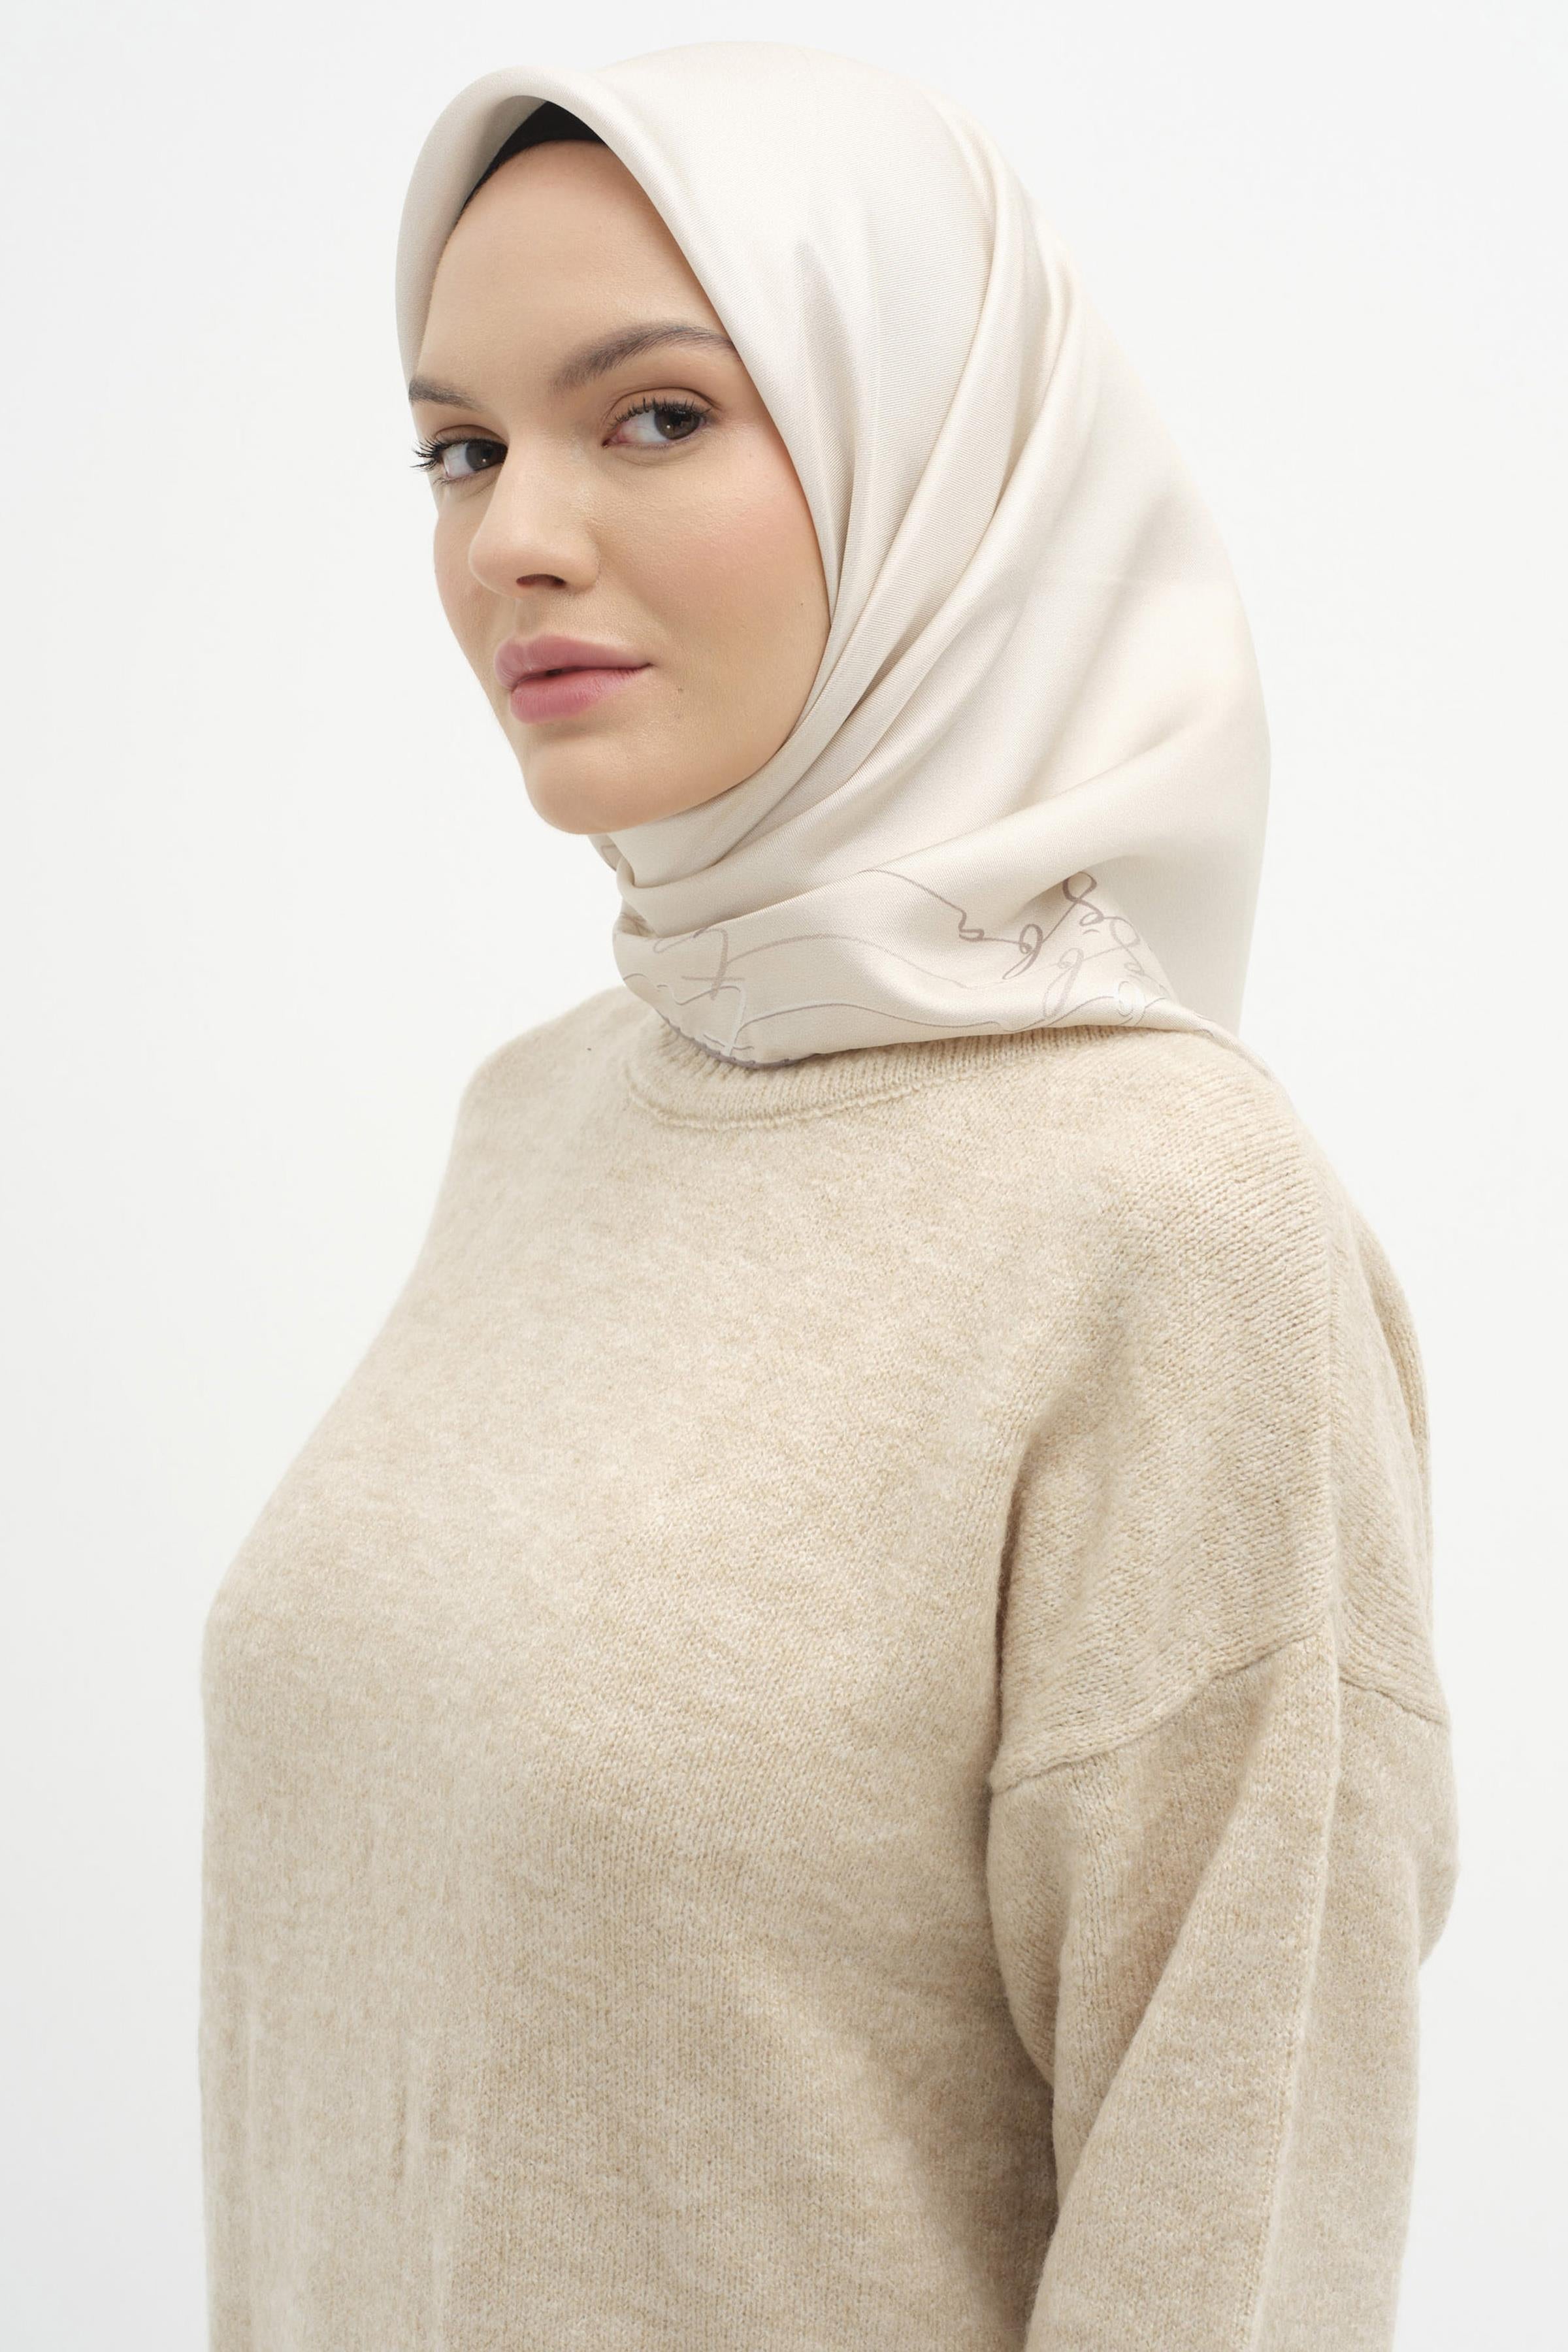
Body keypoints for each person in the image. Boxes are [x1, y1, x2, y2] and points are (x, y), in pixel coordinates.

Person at [197, 42, 1458, 2351]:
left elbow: (1236, 2222)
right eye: (460, 449)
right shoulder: (538, 1119)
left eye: (656, 415)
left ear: (933, 462)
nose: (512, 537)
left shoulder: (1175, 1222)